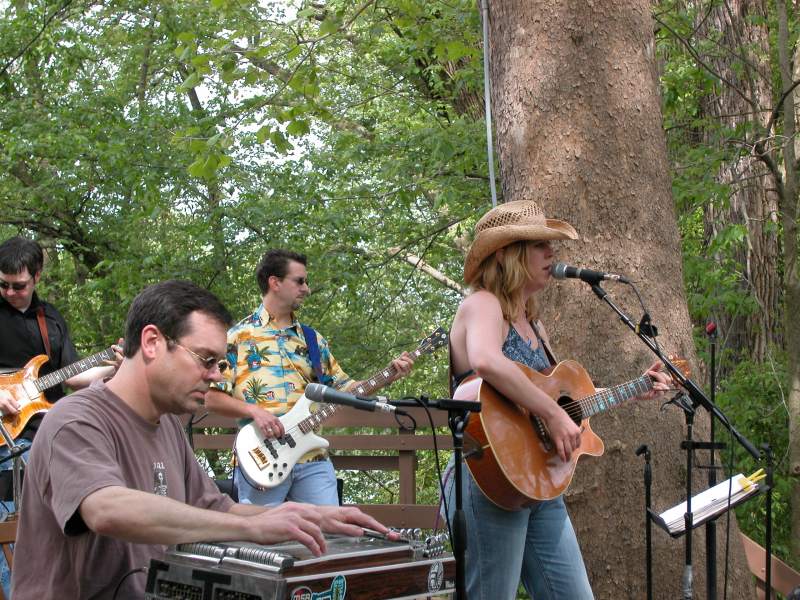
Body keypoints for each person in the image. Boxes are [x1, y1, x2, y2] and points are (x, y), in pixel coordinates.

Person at [11, 280, 395, 599]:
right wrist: (252, 528)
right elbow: (106, 508)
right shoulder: (75, 418)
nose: (216, 376)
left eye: (220, 363)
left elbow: (219, 511)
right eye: (206, 360)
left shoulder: (168, 428)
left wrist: (309, 517)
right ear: (151, 342)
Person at [443, 200, 672, 600]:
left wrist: (636, 388)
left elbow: (564, 401)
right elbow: (485, 360)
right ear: (506, 254)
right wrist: (550, 413)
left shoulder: (533, 323)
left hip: (539, 482)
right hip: (488, 479)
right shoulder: (483, 304)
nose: (552, 254)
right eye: (539, 246)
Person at [205, 249, 415, 506]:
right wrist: (255, 411)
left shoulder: (312, 340)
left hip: (313, 459)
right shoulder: (238, 337)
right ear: (275, 282)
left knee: (329, 536)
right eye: (300, 281)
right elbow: (212, 398)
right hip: (261, 460)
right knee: (262, 541)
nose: (307, 288)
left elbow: (345, 389)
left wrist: (388, 375)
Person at [0, 237, 120, 493]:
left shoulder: (50, 318)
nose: (10, 292)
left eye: (18, 286)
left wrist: (117, 366)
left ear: (37, 277)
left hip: (50, 432)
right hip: (7, 440)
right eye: (3, 284)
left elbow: (73, 376)